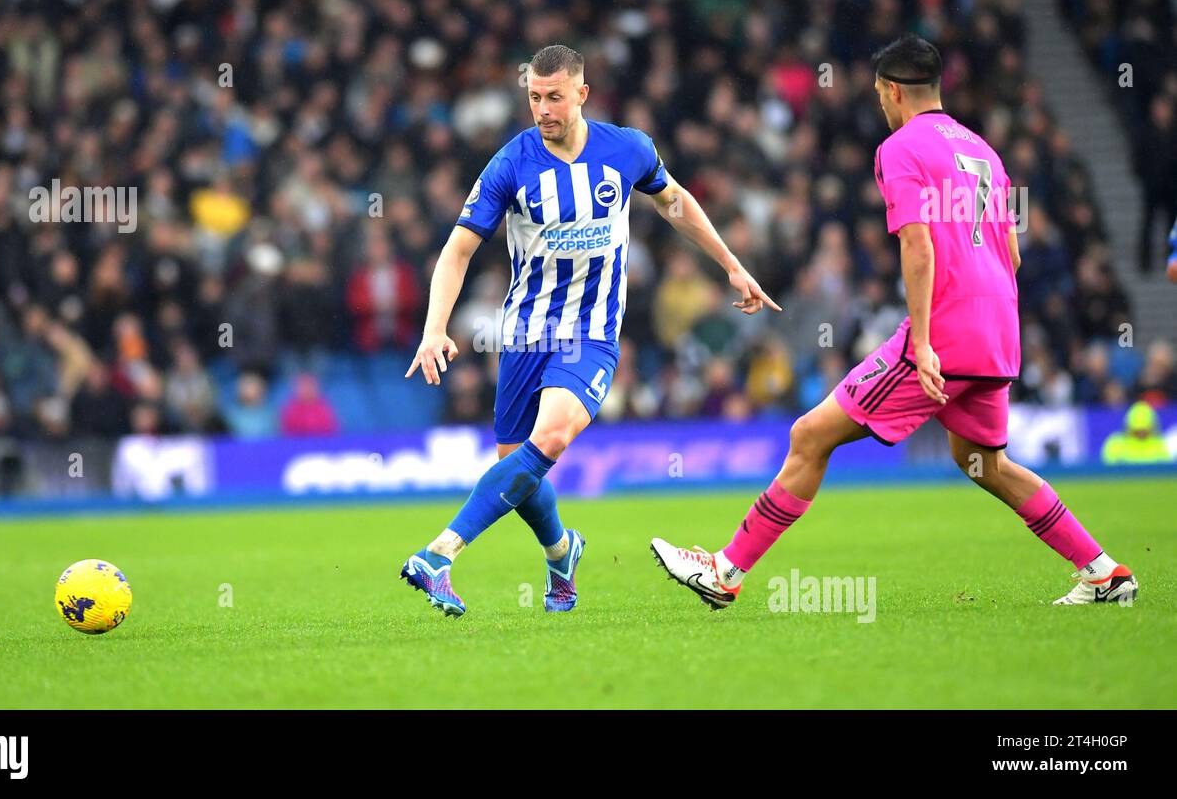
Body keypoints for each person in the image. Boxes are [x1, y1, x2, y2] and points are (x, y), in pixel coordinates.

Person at [651, 35, 1137, 608]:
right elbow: (1013, 253)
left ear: (893, 91)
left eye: (880, 94)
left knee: (809, 436)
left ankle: (725, 571)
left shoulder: (902, 148)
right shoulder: (983, 151)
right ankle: (1104, 571)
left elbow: (919, 246)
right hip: (999, 328)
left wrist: (925, 344)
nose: (880, 105)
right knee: (983, 461)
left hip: (944, 331)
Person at [401, 45, 778, 616]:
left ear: (582, 93)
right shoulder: (510, 163)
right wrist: (435, 329)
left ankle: (439, 554)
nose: (543, 109)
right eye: (533, 97)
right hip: (525, 334)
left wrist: (730, 263)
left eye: (554, 97)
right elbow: (456, 252)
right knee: (519, 463)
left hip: (593, 331)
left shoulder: (627, 149)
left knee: (547, 440)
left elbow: (675, 204)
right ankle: (562, 552)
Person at [1102, 401, 1172, 465]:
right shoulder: (1115, 444)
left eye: (1145, 432)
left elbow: (1166, 471)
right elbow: (1107, 471)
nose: (1141, 435)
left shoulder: (1161, 445)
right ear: (1128, 428)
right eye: (1137, 432)